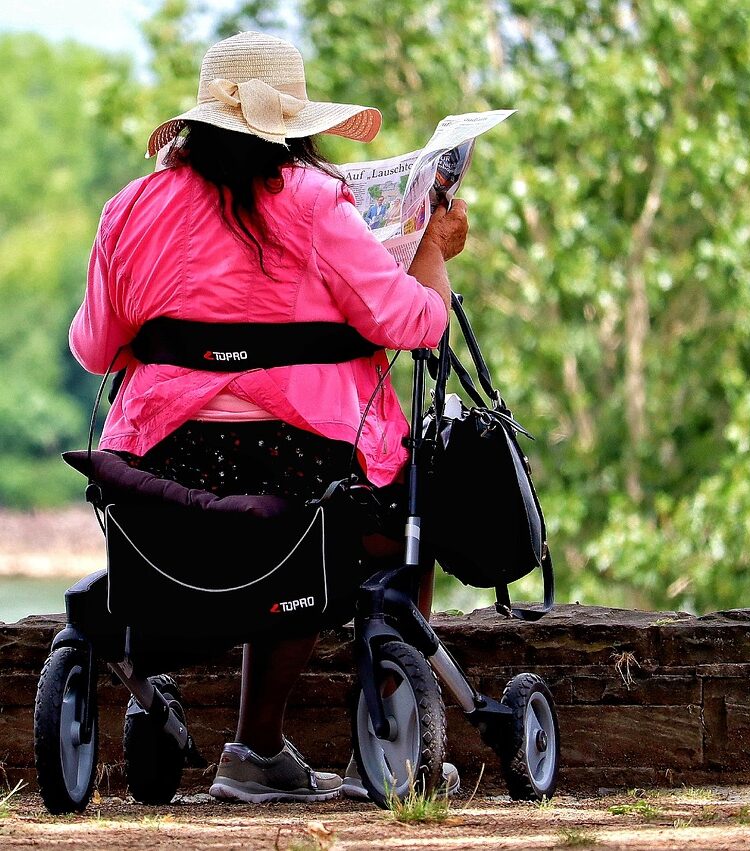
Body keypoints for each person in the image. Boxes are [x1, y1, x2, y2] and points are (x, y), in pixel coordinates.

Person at [69, 32, 468, 803]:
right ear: (295, 127)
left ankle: (256, 751)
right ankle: (354, 746)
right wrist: (434, 252)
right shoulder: (318, 205)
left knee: (279, 533)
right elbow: (413, 322)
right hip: (305, 471)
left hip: (160, 468)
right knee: (405, 514)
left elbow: (93, 347)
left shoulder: (130, 208)